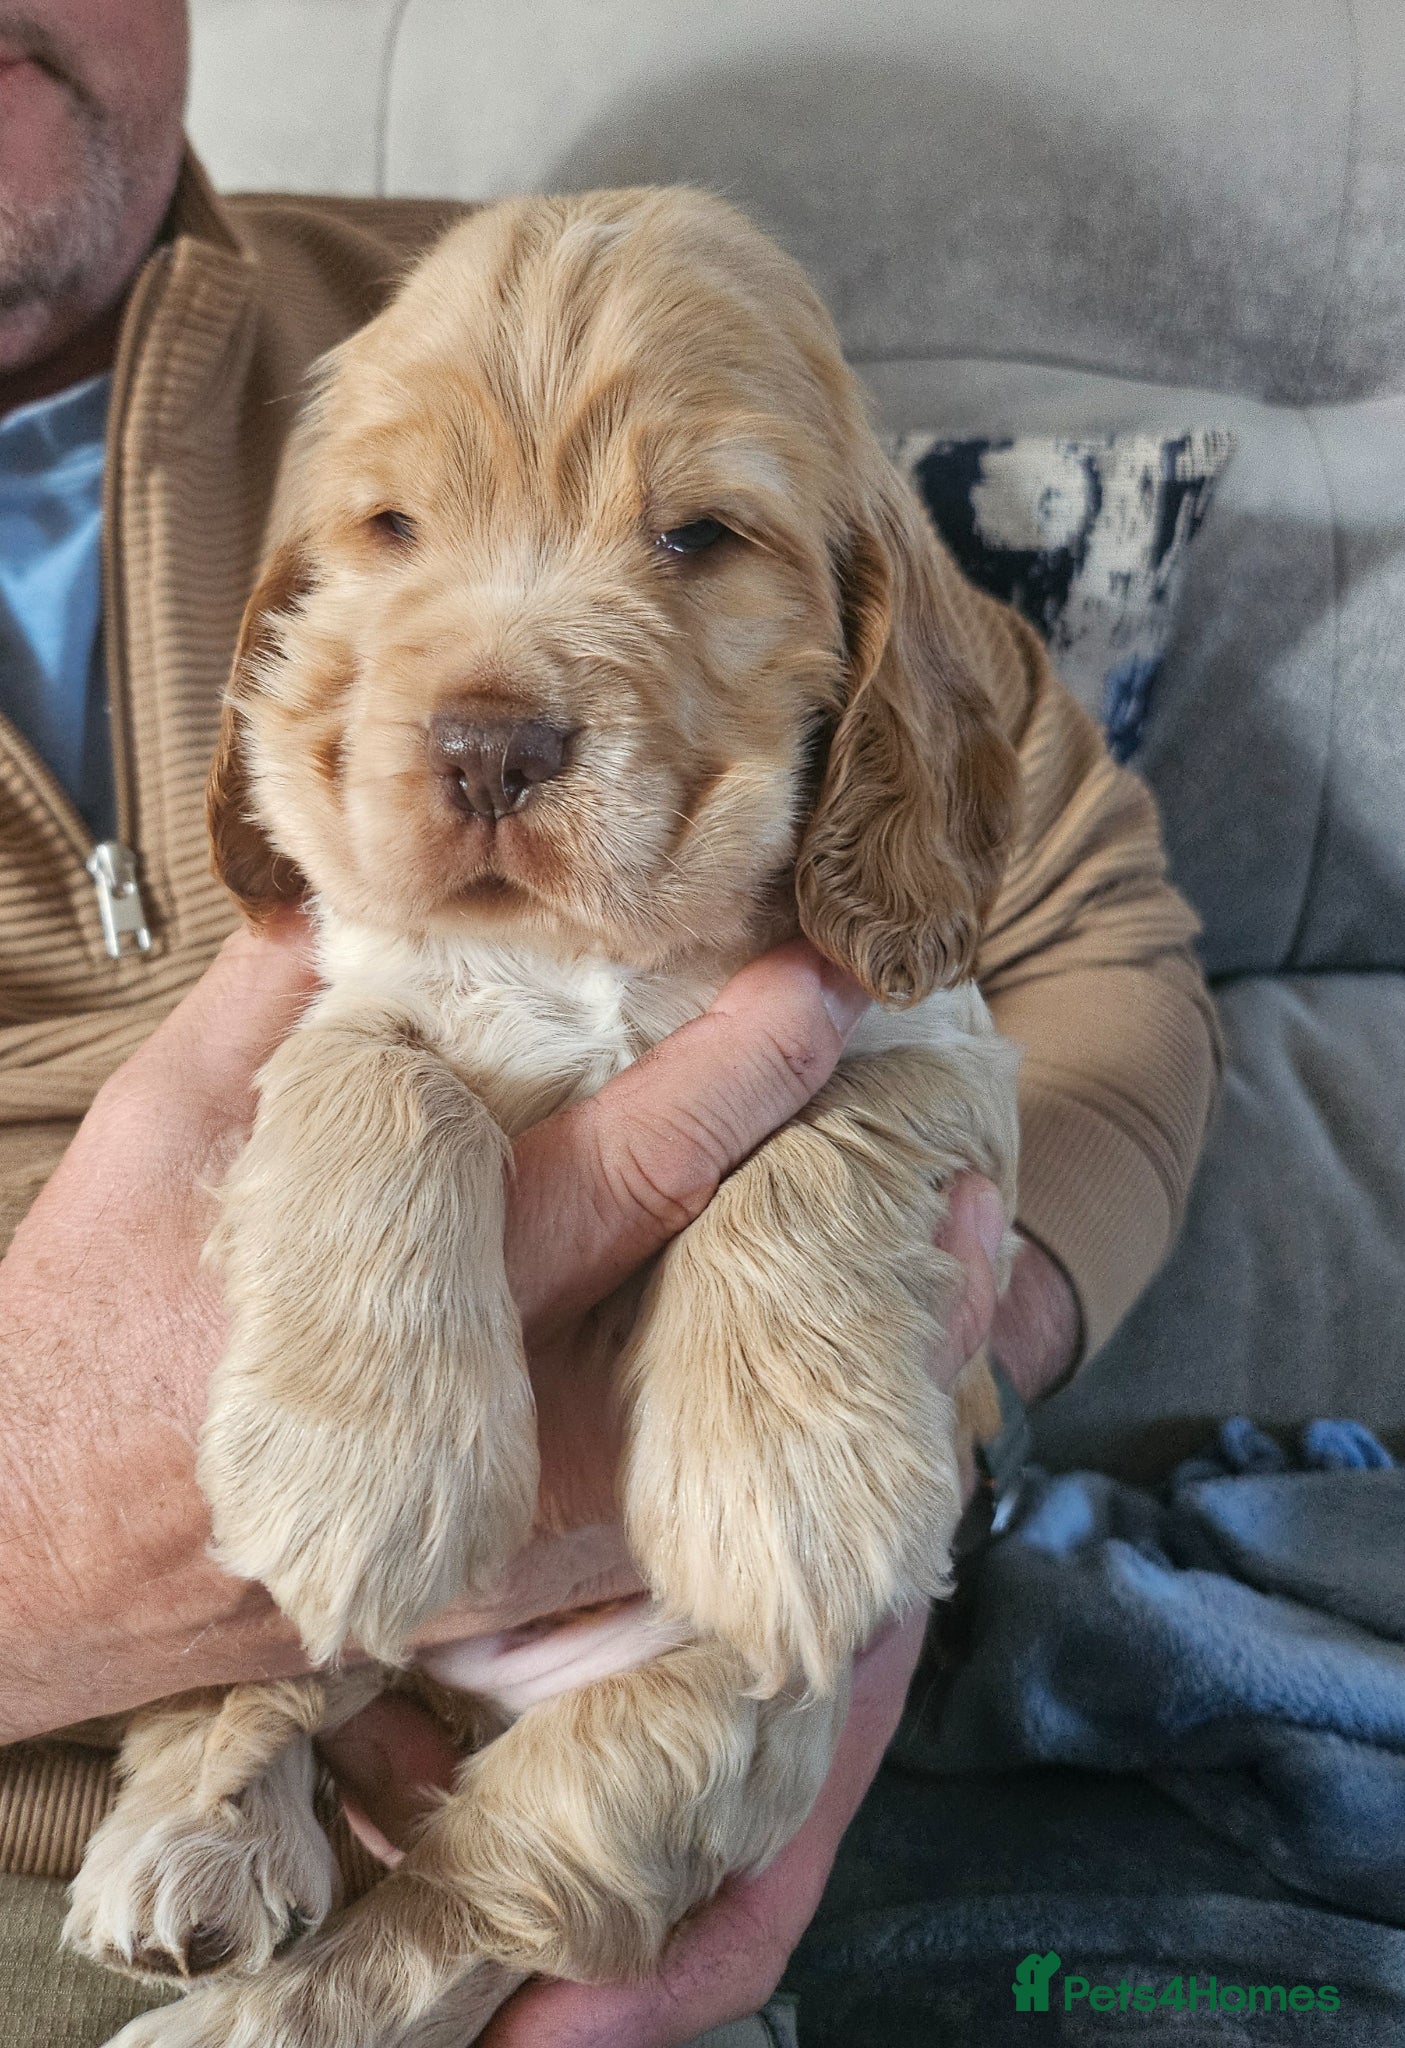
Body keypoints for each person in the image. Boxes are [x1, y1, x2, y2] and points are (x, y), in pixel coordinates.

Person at [0, 4, 1218, 2042]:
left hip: (632, 1735)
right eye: (399, 530)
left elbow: (1074, 934)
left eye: (687, 535)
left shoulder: (506, 318)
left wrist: (924, 1360)